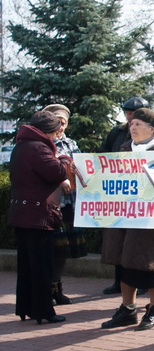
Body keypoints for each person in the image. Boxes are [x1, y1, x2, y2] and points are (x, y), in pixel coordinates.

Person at [100, 108, 154, 331]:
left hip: (153, 219)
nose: (133, 127)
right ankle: (127, 309)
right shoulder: (124, 150)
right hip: (124, 215)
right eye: (131, 124)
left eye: (138, 124)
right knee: (124, 262)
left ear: (151, 128)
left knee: (150, 264)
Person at [8, 110, 73, 325]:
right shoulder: (39, 148)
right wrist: (64, 158)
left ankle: (25, 307)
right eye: (55, 133)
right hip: (39, 216)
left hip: (22, 214)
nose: (56, 137)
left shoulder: (21, 146)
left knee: (26, 264)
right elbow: (56, 173)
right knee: (42, 265)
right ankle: (44, 310)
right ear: (48, 131)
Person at [101, 96, 150, 296]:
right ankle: (119, 280)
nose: (131, 119)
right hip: (119, 192)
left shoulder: (152, 132)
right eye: (128, 114)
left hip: (142, 194)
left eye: (135, 114)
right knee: (118, 240)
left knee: (140, 242)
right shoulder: (117, 133)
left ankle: (144, 282)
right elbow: (102, 154)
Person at [42, 104, 87, 306]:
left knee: (63, 251)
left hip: (69, 203)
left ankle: (57, 287)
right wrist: (60, 178)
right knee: (49, 250)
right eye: (57, 122)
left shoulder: (70, 143)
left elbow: (80, 165)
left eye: (64, 122)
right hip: (51, 204)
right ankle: (45, 289)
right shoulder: (44, 144)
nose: (61, 126)